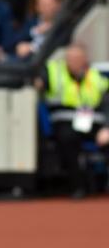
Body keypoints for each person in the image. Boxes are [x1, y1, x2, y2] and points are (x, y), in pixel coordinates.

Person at [39, 44, 109, 198]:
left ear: (85, 60)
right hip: (64, 121)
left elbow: (106, 103)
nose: (74, 62)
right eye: (70, 58)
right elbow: (39, 81)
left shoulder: (97, 77)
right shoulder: (54, 72)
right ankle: (78, 186)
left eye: (78, 58)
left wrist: (107, 127)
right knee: (67, 139)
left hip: (92, 121)